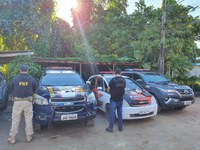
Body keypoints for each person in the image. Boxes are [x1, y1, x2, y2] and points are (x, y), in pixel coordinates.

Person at [8, 64, 37, 144]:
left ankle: (12, 138)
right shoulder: (31, 79)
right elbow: (35, 88)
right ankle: (29, 137)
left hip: (17, 102)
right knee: (28, 119)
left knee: (15, 120)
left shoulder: (15, 79)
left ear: (20, 70)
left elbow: (11, 87)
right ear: (28, 70)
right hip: (28, 102)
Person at [106, 68, 126, 133]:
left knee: (112, 114)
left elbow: (108, 89)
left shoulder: (112, 80)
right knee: (120, 114)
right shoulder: (124, 80)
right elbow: (123, 89)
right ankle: (120, 128)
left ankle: (110, 128)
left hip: (113, 100)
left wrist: (110, 93)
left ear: (114, 73)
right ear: (121, 73)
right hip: (120, 99)